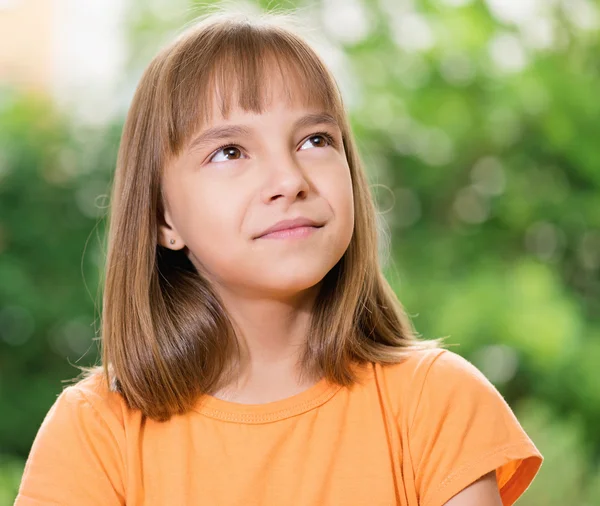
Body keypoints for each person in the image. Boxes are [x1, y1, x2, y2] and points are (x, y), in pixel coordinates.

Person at [15, 9, 543, 506]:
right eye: (230, 152)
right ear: (162, 218)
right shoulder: (92, 432)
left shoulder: (440, 401)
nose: (290, 180)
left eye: (314, 139)